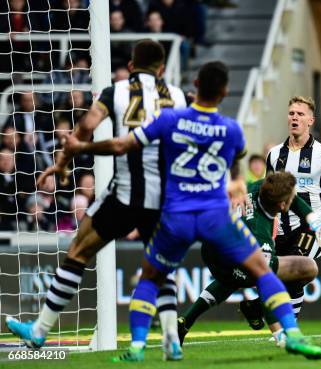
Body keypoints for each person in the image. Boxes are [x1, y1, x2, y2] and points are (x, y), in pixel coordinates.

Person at [59, 61, 321, 361]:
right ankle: (290, 334)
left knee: (150, 277)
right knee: (264, 271)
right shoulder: (230, 129)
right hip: (214, 216)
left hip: (178, 216)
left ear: (196, 85)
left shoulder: (170, 118)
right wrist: (238, 181)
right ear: (225, 92)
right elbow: (237, 163)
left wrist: (79, 148)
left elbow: (123, 145)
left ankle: (137, 347)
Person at [5, 40, 187, 360]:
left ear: (131, 65)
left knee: (78, 250)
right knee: (159, 265)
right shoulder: (180, 96)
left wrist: (60, 165)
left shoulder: (115, 91)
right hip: (163, 199)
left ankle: (39, 331)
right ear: (161, 68)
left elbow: (85, 129)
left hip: (124, 194)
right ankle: (171, 339)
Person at [177, 172, 321, 345]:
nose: (294, 200)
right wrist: (279, 334)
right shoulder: (260, 236)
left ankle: (184, 322)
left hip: (214, 249)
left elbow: (296, 203)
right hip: (229, 256)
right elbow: (264, 282)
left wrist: (318, 225)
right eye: (290, 198)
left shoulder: (263, 187)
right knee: (307, 268)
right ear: (282, 204)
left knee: (230, 280)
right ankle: (258, 311)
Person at [264, 96, 321, 317]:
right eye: (291, 114)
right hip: (282, 230)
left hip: (314, 227)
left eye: (300, 114)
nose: (294, 118)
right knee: (282, 275)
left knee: (298, 265)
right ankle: (281, 322)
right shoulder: (275, 155)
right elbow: (268, 193)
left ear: (311, 121)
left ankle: (288, 326)